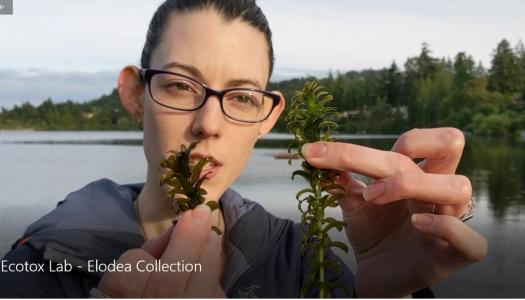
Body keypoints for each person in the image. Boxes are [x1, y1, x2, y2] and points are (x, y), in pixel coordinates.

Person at [0, 0, 487, 297]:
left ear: (266, 118)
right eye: (179, 86)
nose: (208, 124)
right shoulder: (32, 271)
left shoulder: (301, 261)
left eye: (241, 97)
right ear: (134, 95)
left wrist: (387, 297)